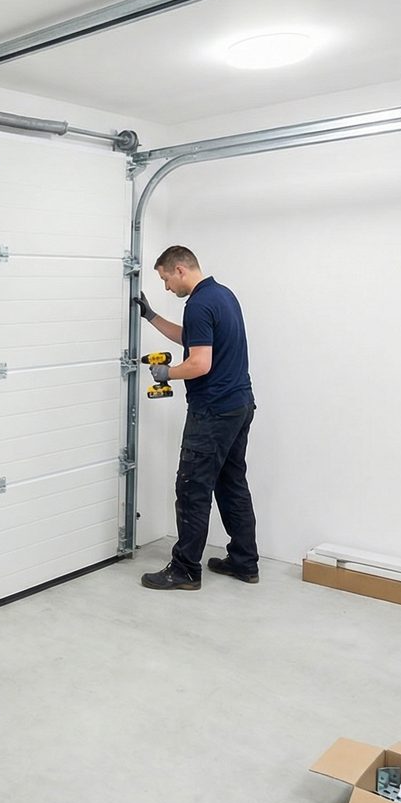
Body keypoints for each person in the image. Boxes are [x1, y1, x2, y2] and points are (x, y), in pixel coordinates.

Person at [134, 245, 260, 591]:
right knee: (232, 483)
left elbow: (199, 363)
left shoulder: (200, 304)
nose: (166, 288)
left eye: (165, 279)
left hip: (213, 411)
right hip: (239, 405)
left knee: (192, 488)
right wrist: (151, 315)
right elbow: (192, 337)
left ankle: (185, 569)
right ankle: (244, 561)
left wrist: (167, 373)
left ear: (179, 269)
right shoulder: (222, 295)